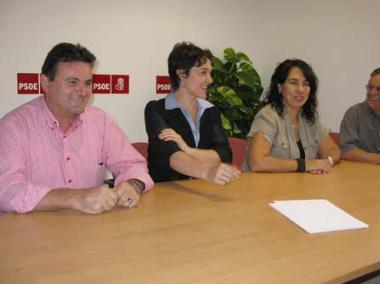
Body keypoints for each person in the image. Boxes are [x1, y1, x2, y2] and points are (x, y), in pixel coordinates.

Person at [0, 42, 153, 214]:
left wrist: (133, 184)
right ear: (45, 82)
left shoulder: (100, 121)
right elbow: (5, 188)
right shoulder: (13, 126)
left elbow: (132, 163)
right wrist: (73, 198)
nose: (83, 91)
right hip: (33, 233)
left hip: (89, 229)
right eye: (72, 82)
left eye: (87, 83)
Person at [144, 42, 240, 184]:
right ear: (182, 74)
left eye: (210, 73)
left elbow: (224, 155)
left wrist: (188, 150)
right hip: (166, 193)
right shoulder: (157, 109)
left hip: (202, 190)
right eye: (203, 72)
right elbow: (173, 155)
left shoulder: (210, 111)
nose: (210, 79)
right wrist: (207, 172)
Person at [243, 59, 341, 173]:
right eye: (293, 83)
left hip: (298, 187)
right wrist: (304, 165)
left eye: (306, 84)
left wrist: (325, 163)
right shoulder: (268, 116)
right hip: (264, 187)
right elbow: (257, 163)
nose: (300, 90)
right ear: (280, 87)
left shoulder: (309, 117)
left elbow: (333, 150)